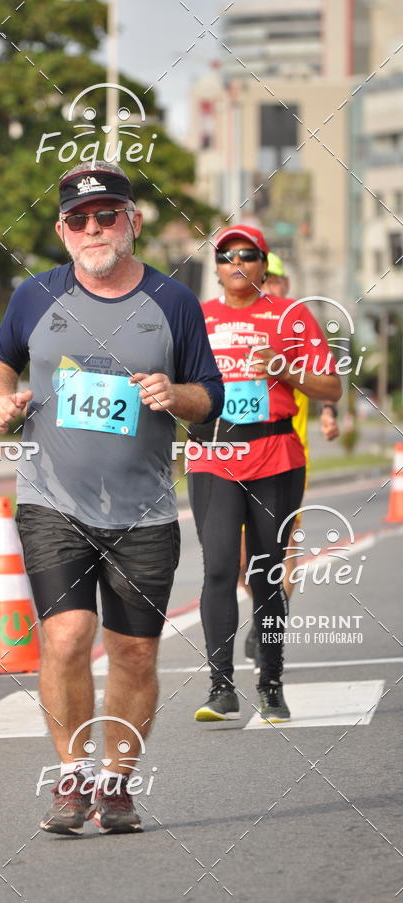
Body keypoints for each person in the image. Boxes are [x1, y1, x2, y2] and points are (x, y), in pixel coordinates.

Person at [0, 161, 223, 835]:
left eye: (107, 214)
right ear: (63, 230)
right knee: (66, 635)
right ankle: (73, 772)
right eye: (80, 219)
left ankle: (115, 783)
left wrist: (177, 396)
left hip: (143, 509)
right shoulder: (35, 296)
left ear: (133, 221)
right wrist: (1, 397)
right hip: (51, 498)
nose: (95, 228)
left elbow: (212, 398)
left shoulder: (174, 303)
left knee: (135, 652)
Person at [187, 225, 341, 723]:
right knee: (216, 568)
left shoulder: (291, 317)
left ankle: (271, 683)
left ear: (263, 264)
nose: (237, 263)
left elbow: (331, 388)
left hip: (274, 455)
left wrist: (285, 368)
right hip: (212, 454)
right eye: (226, 255)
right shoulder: (197, 317)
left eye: (247, 255)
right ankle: (220, 687)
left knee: (267, 572)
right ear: (216, 267)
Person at [241, 252, 340, 667]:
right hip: (241, 455)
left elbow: (323, 382)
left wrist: (331, 414)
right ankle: (270, 608)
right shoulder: (245, 328)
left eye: (276, 280)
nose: (270, 287)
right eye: (267, 281)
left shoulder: (295, 329)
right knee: (243, 560)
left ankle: (269, 623)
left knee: (282, 545)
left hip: (286, 454)